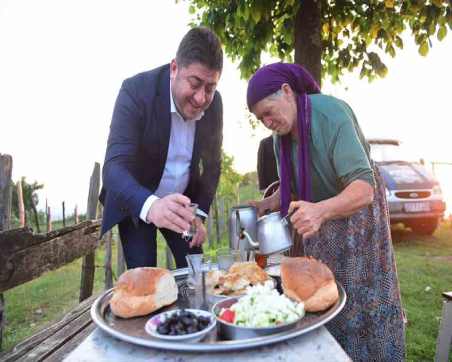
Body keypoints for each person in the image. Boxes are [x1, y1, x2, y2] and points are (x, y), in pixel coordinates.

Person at [247, 63, 405, 361]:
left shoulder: (330, 115)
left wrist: (320, 211)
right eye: (260, 118)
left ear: (286, 92)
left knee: (361, 299)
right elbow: (293, 184)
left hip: (357, 217)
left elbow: (363, 188)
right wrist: (268, 203)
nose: (266, 121)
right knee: (322, 295)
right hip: (320, 218)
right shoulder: (280, 139)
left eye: (268, 112)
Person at [99, 27, 223, 269]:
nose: (201, 98)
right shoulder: (135, 91)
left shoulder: (214, 103)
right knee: (146, 273)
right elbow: (114, 167)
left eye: (210, 87)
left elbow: (212, 166)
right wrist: (152, 206)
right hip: (138, 199)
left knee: (195, 268)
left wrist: (199, 214)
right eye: (195, 83)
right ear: (174, 68)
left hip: (182, 202)